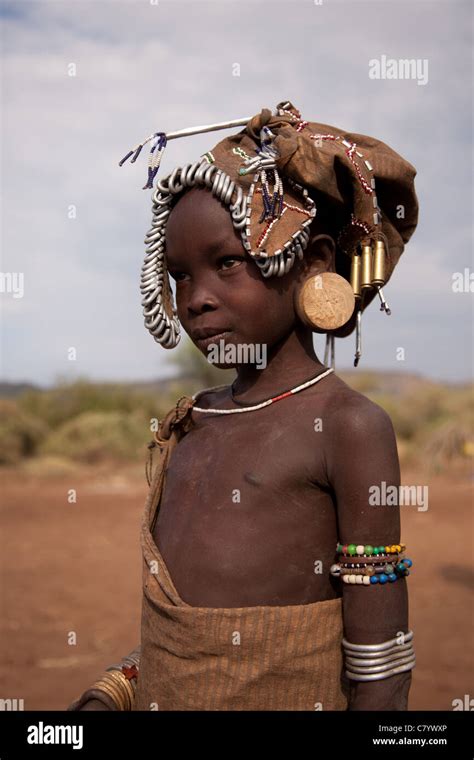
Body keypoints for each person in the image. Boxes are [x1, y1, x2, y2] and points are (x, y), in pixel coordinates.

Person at [68, 101, 418, 711]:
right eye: (178, 276)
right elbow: (184, 634)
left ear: (312, 263)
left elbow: (379, 666)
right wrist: (114, 692)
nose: (195, 299)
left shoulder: (348, 427)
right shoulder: (191, 421)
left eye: (228, 263)